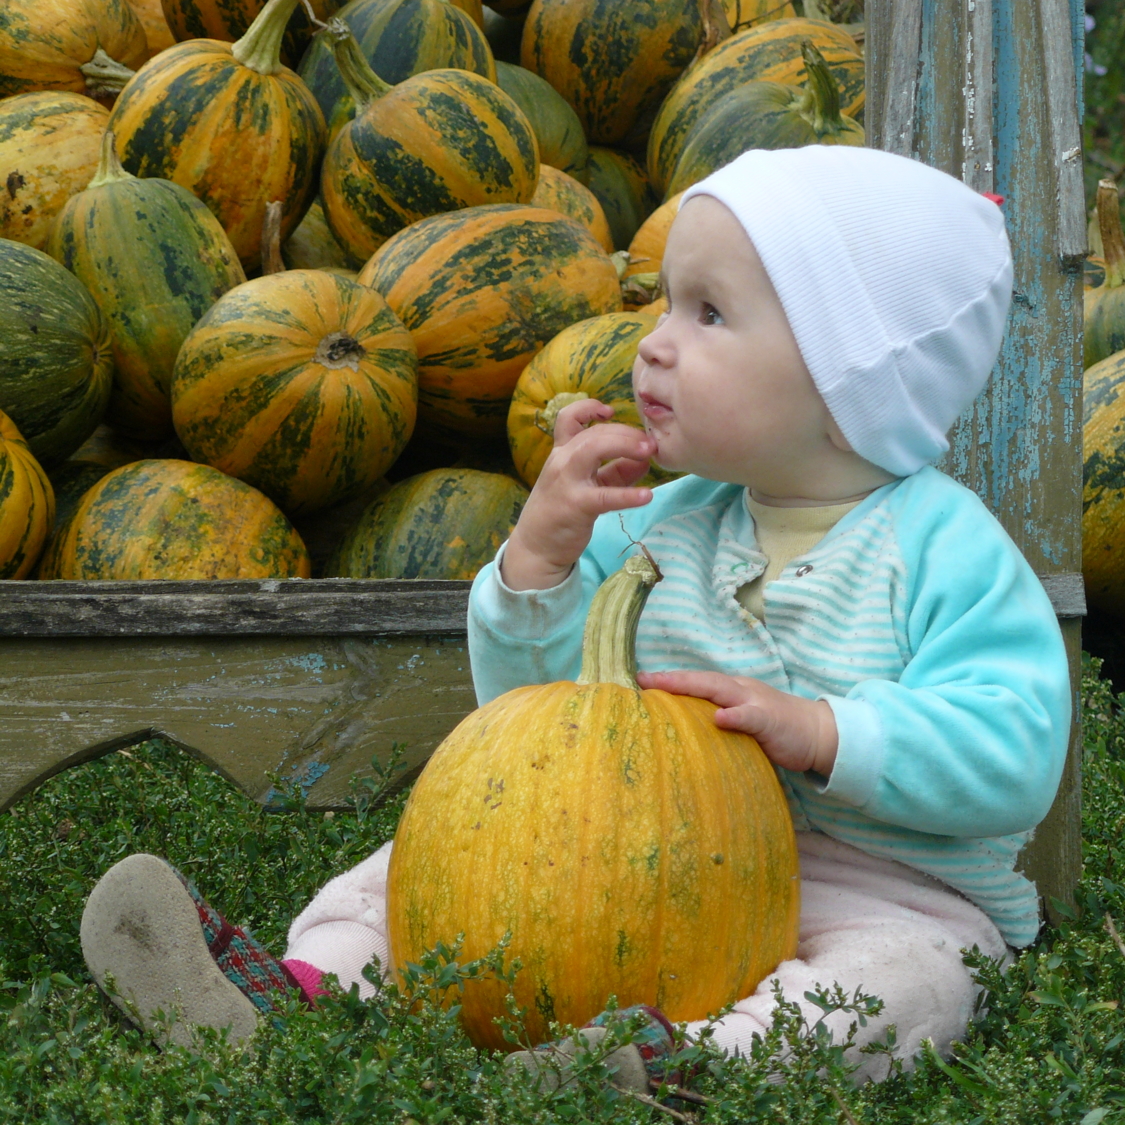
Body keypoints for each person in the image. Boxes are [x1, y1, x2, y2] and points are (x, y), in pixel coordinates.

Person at [79, 145, 1072, 1087]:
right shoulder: (658, 522)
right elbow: (532, 711)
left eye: (710, 316)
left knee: (911, 984)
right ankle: (295, 999)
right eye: (665, 305)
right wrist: (543, 558)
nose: (654, 343)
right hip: (647, 853)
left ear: (847, 380)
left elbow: (1015, 748)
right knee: (401, 877)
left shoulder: (943, 548)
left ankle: (677, 1065)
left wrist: (827, 732)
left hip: (877, 887)